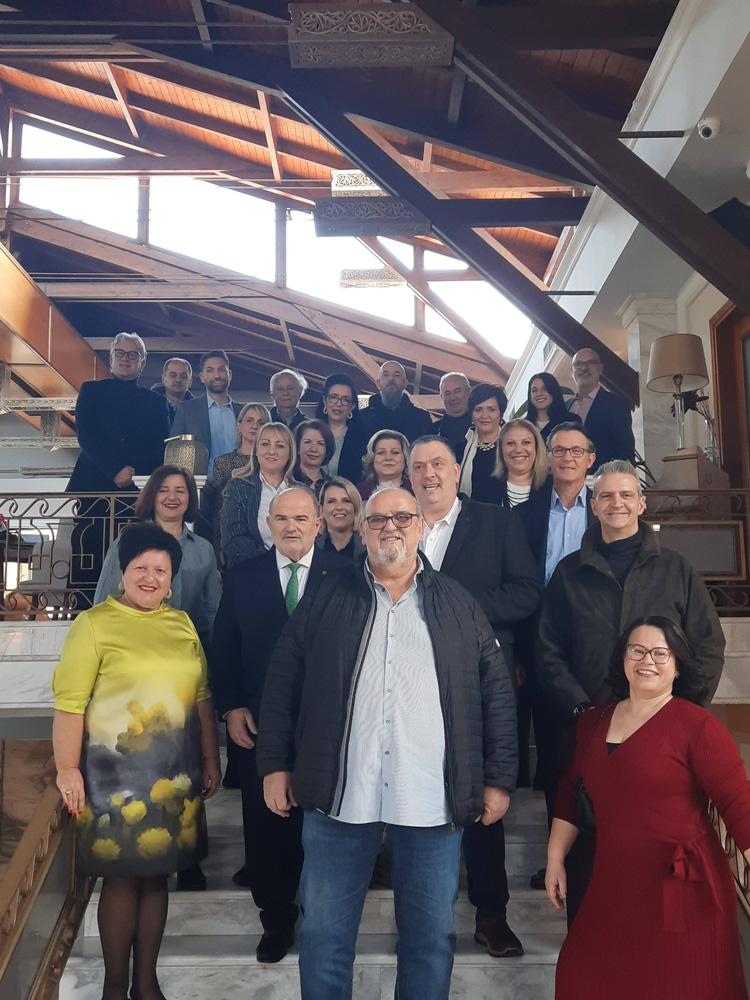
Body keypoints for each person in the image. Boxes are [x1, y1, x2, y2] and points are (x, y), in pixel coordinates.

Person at [257, 486, 518, 1000]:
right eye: (377, 519)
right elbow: (284, 678)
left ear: (420, 527)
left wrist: (499, 779)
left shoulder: (459, 603)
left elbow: (496, 694)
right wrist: (274, 763)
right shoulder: (325, 596)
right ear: (362, 530)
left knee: (430, 942)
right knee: (324, 938)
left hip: (430, 802)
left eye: (402, 517)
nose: (389, 527)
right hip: (339, 800)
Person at [537, 460, 725, 919]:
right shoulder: (568, 573)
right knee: (589, 874)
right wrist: (581, 710)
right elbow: (548, 651)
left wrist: (680, 715)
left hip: (664, 744)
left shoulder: (676, 569)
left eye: (626, 495)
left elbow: (707, 646)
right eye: (606, 496)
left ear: (642, 504)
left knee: (656, 868)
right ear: (593, 505)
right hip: (590, 738)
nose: (616, 503)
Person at [52, 523, 221, 1000]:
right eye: (140, 568)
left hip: (176, 773)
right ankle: (113, 987)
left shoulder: (182, 624)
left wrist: (211, 757)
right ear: (123, 572)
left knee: (157, 875)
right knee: (121, 878)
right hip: (114, 778)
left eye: (160, 571)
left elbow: (202, 696)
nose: (150, 578)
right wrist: (67, 768)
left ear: (171, 580)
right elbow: (70, 703)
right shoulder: (94, 624)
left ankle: (147, 984)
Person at [547, 617, 750, 1000]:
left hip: (684, 891)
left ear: (678, 664)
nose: (647, 660)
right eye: (637, 650)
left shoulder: (698, 727)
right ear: (623, 658)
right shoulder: (593, 723)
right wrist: (556, 856)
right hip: (614, 883)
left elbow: (739, 806)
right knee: (579, 976)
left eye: (661, 653)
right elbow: (569, 789)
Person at [410, 436, 541, 957]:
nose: (428, 474)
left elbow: (527, 591)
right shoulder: (397, 523)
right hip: (410, 682)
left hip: (478, 681)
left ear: (455, 470)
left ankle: (491, 916)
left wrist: (459, 608)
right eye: (419, 466)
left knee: (483, 797)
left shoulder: (495, 522)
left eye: (438, 464)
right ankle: (422, 920)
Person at [210, 486, 347, 964]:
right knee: (266, 825)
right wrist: (231, 707)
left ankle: (323, 915)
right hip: (259, 725)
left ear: (318, 525)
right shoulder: (243, 576)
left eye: (301, 518)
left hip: (328, 727)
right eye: (282, 518)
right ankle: (276, 919)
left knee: (324, 823)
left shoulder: (346, 574)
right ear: (268, 524)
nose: (292, 527)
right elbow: (224, 647)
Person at [67, 332, 171, 608]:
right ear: (111, 358)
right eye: (120, 353)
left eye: (133, 354)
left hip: (135, 492)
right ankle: (81, 612)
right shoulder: (91, 391)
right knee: (87, 551)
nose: (126, 358)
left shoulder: (156, 402)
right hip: (93, 487)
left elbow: (158, 445)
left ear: (142, 362)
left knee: (132, 554)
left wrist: (132, 471)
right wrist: (114, 469)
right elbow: (86, 436)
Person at [94, 465, 221, 646]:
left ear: (190, 498)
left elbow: (213, 608)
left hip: (189, 648)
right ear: (152, 496)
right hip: (134, 644)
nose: (172, 497)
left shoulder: (203, 548)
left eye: (180, 491)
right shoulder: (128, 542)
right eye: (163, 490)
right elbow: (103, 600)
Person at [516, 423, 597, 585]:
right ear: (548, 459)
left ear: (590, 460)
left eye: (576, 451)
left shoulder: (604, 511)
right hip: (541, 599)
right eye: (559, 450)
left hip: (591, 599)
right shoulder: (523, 515)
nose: (567, 458)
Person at [221, 422, 298, 570]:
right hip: (251, 572)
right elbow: (233, 538)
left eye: (280, 446)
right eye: (265, 444)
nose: (271, 451)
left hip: (295, 572)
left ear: (290, 454)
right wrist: (271, 567)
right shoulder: (238, 487)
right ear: (256, 450)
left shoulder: (302, 492)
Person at [210, 403, 272, 561]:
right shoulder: (224, 463)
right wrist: (218, 547)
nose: (255, 426)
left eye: (261, 422)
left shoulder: (270, 462)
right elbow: (218, 509)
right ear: (239, 425)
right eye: (249, 420)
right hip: (232, 538)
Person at [170, 350, 243, 483]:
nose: (217, 375)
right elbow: (174, 451)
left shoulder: (243, 412)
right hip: (201, 487)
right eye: (210, 370)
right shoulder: (187, 410)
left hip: (239, 485)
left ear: (230, 375)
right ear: (202, 377)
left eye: (221, 369)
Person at [566, 349, 635, 468]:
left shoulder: (617, 404)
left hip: (601, 476)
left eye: (591, 362)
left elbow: (625, 452)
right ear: (572, 370)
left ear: (600, 368)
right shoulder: (565, 407)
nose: (584, 368)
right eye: (578, 364)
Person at [474, 418, 548, 508]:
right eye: (511, 443)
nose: (518, 450)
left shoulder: (552, 488)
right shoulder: (483, 490)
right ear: (501, 449)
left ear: (536, 447)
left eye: (526, 442)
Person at [314, 372, 370, 483]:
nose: (338, 404)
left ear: (352, 406)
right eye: (333, 397)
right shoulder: (310, 431)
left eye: (345, 400)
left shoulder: (364, 437)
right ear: (325, 401)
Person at [361, 360, 433, 443]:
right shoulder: (362, 418)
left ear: (405, 383)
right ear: (378, 383)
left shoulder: (421, 419)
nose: (391, 378)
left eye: (397, 375)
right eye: (386, 375)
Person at [458, 383, 508, 498]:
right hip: (468, 508)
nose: (484, 416)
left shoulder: (511, 447)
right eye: (478, 410)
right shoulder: (460, 450)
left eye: (491, 410)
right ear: (472, 414)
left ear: (501, 414)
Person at [316, 477, 365, 560]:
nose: (339, 507)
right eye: (331, 501)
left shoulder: (368, 548)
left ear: (356, 508)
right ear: (321, 510)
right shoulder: (311, 548)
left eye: (346, 501)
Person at [357, 429, 413, 501]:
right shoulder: (358, 493)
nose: (388, 458)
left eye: (395, 452)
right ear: (372, 458)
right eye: (381, 453)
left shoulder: (417, 489)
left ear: (405, 457)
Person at [526, 372, 581, 444]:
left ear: (553, 391)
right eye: (534, 390)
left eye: (544, 389)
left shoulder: (571, 421)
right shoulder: (524, 425)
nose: (539, 394)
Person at [293, 419, 334, 497]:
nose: (314, 449)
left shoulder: (332, 486)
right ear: (297, 447)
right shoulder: (287, 481)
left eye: (320, 444)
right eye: (307, 442)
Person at [433, 372, 472, 455]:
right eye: (447, 393)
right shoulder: (434, 431)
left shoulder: (480, 425)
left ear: (468, 391)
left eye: (457, 391)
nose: (453, 398)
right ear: (441, 397)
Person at [151, 357, 195, 425]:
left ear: (190, 382)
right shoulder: (148, 406)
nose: (178, 380)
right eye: (173, 375)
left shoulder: (198, 411)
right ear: (163, 379)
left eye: (183, 376)